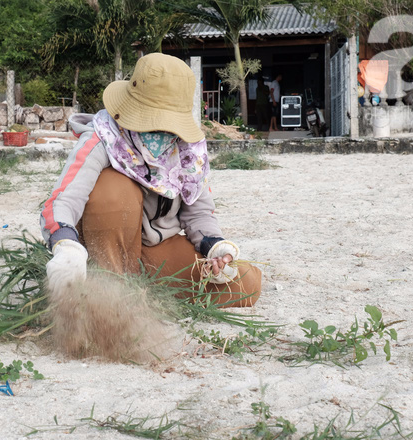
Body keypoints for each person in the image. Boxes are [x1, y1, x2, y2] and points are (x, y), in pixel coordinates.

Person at [40, 53, 262, 308]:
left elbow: (198, 212)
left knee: (245, 284)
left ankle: (142, 291)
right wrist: (66, 245)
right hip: (107, 251)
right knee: (113, 188)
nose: (160, 134)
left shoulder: (189, 152)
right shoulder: (103, 138)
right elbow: (64, 199)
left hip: (156, 251)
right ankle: (110, 295)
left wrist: (214, 246)